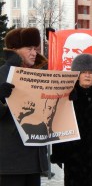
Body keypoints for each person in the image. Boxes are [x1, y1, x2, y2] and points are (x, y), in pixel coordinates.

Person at [50, 53, 92, 186]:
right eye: (84, 72)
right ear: (77, 74)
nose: (87, 75)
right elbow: (59, 125)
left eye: (91, 72)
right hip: (74, 156)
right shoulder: (67, 95)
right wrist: (59, 152)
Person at [0, 27, 48, 186]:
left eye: (36, 48)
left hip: (34, 158)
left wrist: (66, 98)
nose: (34, 53)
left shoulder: (38, 75)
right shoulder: (2, 74)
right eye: (29, 48)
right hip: (10, 160)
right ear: (14, 50)